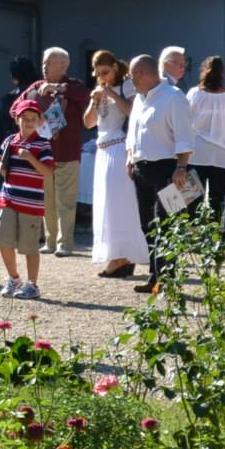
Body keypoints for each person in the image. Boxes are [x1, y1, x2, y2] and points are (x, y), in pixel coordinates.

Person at [125, 53, 194, 295]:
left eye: (132, 76)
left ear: (143, 74)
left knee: (167, 224)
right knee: (148, 224)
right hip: (142, 167)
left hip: (168, 169)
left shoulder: (173, 97)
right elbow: (133, 131)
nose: (130, 81)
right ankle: (156, 275)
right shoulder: (140, 100)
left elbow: (185, 135)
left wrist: (182, 167)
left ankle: (167, 277)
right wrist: (129, 157)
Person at [84, 51, 145, 279]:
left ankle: (123, 255)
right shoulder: (99, 91)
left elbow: (132, 111)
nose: (103, 77)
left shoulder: (125, 87)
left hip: (118, 147)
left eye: (106, 72)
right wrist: (94, 101)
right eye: (98, 74)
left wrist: (111, 93)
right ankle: (118, 255)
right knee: (104, 203)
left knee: (117, 202)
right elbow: (88, 123)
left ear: (115, 68)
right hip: (102, 148)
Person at [28, 47, 91, 256]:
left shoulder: (74, 86)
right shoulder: (36, 87)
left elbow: (83, 94)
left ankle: (66, 243)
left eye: (49, 63)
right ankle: (50, 241)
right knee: (47, 200)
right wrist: (33, 116)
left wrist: (56, 88)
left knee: (66, 201)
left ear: (63, 66)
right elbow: (15, 109)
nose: (44, 67)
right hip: (44, 155)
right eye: (43, 63)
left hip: (68, 153)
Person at [0, 93, 53, 301]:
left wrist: (31, 158)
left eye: (32, 119)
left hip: (31, 203)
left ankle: (32, 285)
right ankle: (14, 278)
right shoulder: (10, 141)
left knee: (29, 246)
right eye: (24, 118)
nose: (28, 123)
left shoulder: (43, 145)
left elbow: (47, 172)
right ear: (17, 119)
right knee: (3, 241)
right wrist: (0, 167)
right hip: (8, 198)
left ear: (39, 121)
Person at [186, 56, 225, 217]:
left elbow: (185, 121)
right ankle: (213, 237)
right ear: (222, 73)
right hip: (221, 155)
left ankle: (190, 238)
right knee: (216, 200)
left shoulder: (194, 94)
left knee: (191, 200)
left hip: (196, 154)